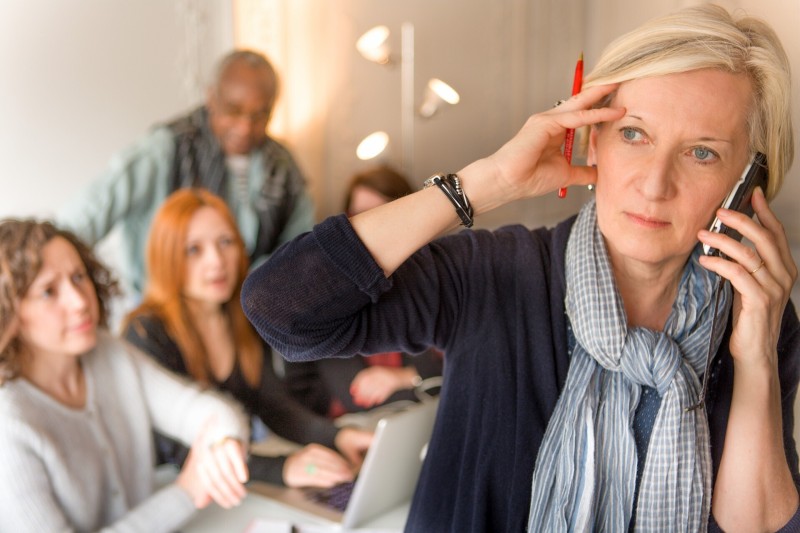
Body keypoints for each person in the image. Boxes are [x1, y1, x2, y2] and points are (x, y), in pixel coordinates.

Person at [240, 5, 800, 531]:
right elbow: (281, 310)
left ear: (745, 185)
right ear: (591, 138)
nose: (654, 185)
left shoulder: (756, 315)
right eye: (634, 134)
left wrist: (756, 359)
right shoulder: (494, 274)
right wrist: (483, 185)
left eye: (701, 152)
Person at [0, 219, 251, 532]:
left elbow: (204, 410)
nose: (79, 302)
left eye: (79, 277)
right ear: (9, 312)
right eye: (49, 291)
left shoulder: (109, 354)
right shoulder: (9, 425)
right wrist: (186, 493)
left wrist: (222, 443)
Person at [122, 188, 373, 490]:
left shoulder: (240, 317)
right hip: (167, 491)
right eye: (193, 249)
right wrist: (282, 468)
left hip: (229, 488)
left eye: (225, 242)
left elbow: (273, 404)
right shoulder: (145, 332)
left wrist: (337, 436)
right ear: (166, 258)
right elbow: (178, 450)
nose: (217, 261)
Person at [57, 49, 313, 298]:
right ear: (211, 98)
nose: (245, 127)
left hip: (245, 321)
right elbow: (87, 215)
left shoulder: (283, 166)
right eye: (234, 111)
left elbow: (299, 248)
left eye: (259, 115)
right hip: (168, 316)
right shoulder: (166, 149)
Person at [284, 165, 444, 416]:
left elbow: (457, 369)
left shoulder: (429, 281)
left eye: (384, 214)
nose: (374, 227)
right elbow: (351, 395)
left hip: (418, 421)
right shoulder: (326, 291)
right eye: (361, 216)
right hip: (346, 429)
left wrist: (407, 377)